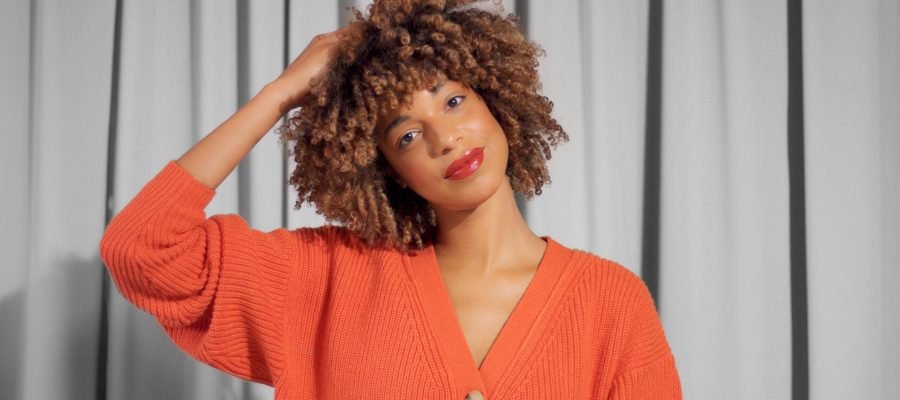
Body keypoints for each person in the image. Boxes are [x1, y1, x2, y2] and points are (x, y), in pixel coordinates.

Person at [99, 0, 682, 399]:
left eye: (452, 102)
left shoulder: (609, 302)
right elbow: (143, 247)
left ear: (495, 101)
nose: (443, 138)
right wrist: (279, 96)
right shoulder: (328, 279)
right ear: (393, 172)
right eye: (406, 134)